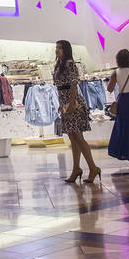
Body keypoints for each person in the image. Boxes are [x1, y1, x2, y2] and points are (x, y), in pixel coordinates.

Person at [53, 39, 100, 183]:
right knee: (73, 138)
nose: (57, 50)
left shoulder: (70, 65)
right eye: (56, 48)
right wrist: (62, 104)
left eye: (60, 48)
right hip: (66, 104)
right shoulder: (58, 66)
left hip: (73, 104)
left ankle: (93, 167)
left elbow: (73, 85)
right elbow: (59, 88)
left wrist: (71, 103)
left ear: (66, 50)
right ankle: (76, 168)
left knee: (78, 137)